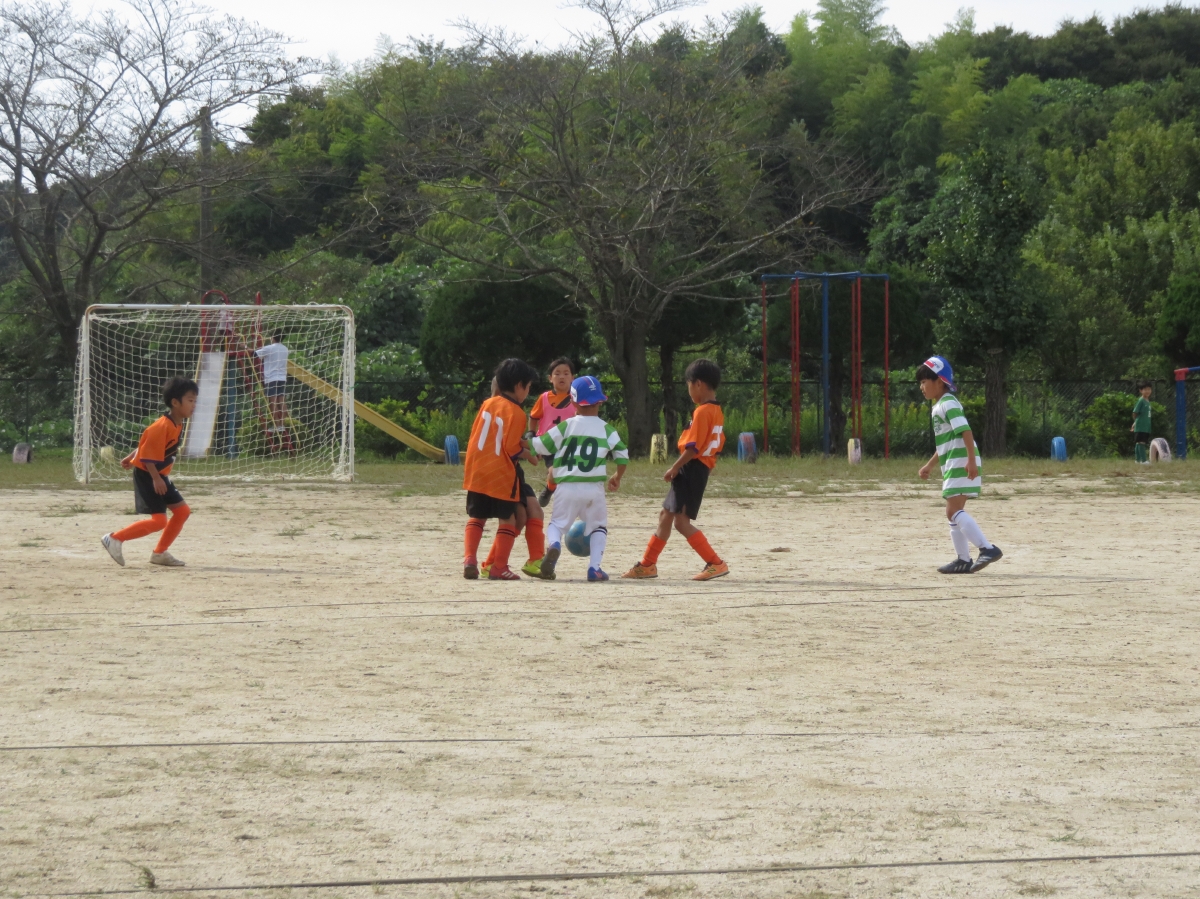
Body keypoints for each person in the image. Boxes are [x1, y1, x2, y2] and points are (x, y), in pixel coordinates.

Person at [623, 359, 728, 581]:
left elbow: (693, 448)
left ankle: (715, 563)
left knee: (681, 522)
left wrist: (675, 467)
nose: (689, 390)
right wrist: (707, 468)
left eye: (689, 385)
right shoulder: (717, 411)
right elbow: (714, 447)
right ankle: (647, 564)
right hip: (697, 470)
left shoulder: (702, 411)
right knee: (666, 516)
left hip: (692, 468)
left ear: (698, 384)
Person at [532, 375, 628, 581]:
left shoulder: (566, 426)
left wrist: (525, 443)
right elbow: (622, 455)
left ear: (573, 402)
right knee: (599, 527)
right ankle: (594, 568)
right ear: (600, 401)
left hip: (566, 487)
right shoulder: (606, 429)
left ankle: (555, 544)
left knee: (557, 525)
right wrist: (617, 476)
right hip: (594, 489)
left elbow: (541, 445)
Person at [916, 355, 1003, 574]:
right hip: (955, 461)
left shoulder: (948, 403)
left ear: (939, 381)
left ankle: (987, 548)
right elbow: (945, 443)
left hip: (961, 461)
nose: (921, 387)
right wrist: (930, 465)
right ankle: (963, 560)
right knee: (953, 511)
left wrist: (971, 461)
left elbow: (965, 431)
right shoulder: (939, 406)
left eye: (924, 382)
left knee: (953, 510)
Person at [101, 377, 198, 568]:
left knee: (182, 512)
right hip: (148, 474)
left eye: (195, 400)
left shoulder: (176, 423)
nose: (194, 405)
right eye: (190, 400)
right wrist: (155, 478)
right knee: (159, 521)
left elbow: (147, 445)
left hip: (158, 475)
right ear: (175, 402)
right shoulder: (162, 426)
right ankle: (114, 538)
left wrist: (131, 456)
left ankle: (160, 553)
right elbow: (148, 454)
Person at [462, 358, 540, 581]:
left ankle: (469, 559)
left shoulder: (487, 404)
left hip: (477, 469)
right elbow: (511, 447)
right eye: (528, 387)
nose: (527, 392)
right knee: (508, 519)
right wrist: (529, 454)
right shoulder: (516, 412)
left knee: (477, 516)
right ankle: (499, 567)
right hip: (501, 474)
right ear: (519, 385)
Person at [480, 377, 550, 579]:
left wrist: (532, 447)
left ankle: (535, 560)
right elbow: (507, 446)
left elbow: (515, 442)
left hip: (516, 474)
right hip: (505, 476)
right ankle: (491, 564)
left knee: (534, 512)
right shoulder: (497, 412)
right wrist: (529, 453)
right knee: (518, 520)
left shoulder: (511, 412)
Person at [530, 357, 578, 507]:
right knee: (554, 471)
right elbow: (533, 417)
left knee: (568, 476)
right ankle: (550, 489)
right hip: (549, 443)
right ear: (550, 378)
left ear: (573, 377)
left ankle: (557, 491)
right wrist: (531, 434)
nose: (562, 377)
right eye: (557, 373)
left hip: (570, 443)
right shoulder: (544, 398)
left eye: (566, 373)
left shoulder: (577, 399)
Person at [255, 332, 289, 427]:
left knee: (273, 403)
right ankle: (282, 424)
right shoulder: (285, 349)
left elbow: (254, 354)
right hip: (282, 378)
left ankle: (277, 425)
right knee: (281, 401)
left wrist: (245, 347)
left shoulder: (269, 348)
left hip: (271, 378)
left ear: (273, 338)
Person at [1131, 380, 1153, 464]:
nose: (1148, 391)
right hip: (1141, 425)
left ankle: (1138, 460)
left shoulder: (1147, 401)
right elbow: (1135, 412)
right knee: (1141, 442)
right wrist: (1136, 422)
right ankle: (1143, 460)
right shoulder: (1141, 400)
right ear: (1141, 390)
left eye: (1149, 389)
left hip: (1146, 426)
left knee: (1139, 442)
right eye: (1145, 389)